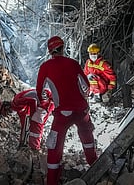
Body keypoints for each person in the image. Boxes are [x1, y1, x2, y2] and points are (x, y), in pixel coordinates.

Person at [36, 36, 98, 185]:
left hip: (63, 113)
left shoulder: (45, 67)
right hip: (82, 111)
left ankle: (52, 181)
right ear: (63, 48)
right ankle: (96, 168)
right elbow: (86, 85)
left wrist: (46, 101)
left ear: (50, 51)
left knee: (54, 145)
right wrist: (83, 98)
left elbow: (40, 91)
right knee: (87, 138)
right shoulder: (73, 63)